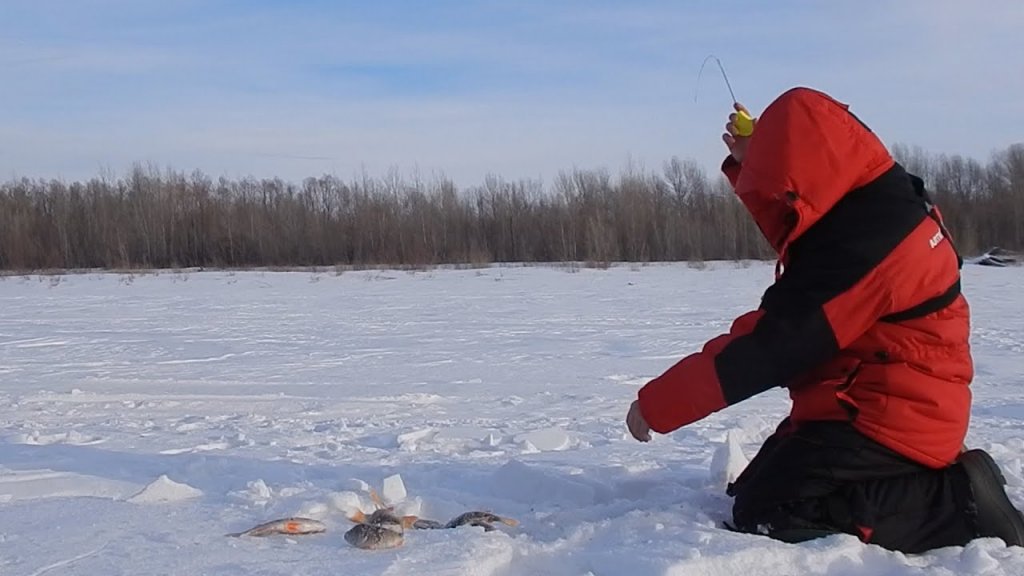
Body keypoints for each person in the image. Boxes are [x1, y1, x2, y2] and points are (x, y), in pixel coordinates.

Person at [624, 86, 1024, 553]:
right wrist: (756, 161)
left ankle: (956, 504)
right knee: (759, 482)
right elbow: (807, 229)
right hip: (882, 396)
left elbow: (776, 342)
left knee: (770, 509)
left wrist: (658, 404)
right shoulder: (876, 199)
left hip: (891, 415)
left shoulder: (868, 246)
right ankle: (925, 484)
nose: (781, 193)